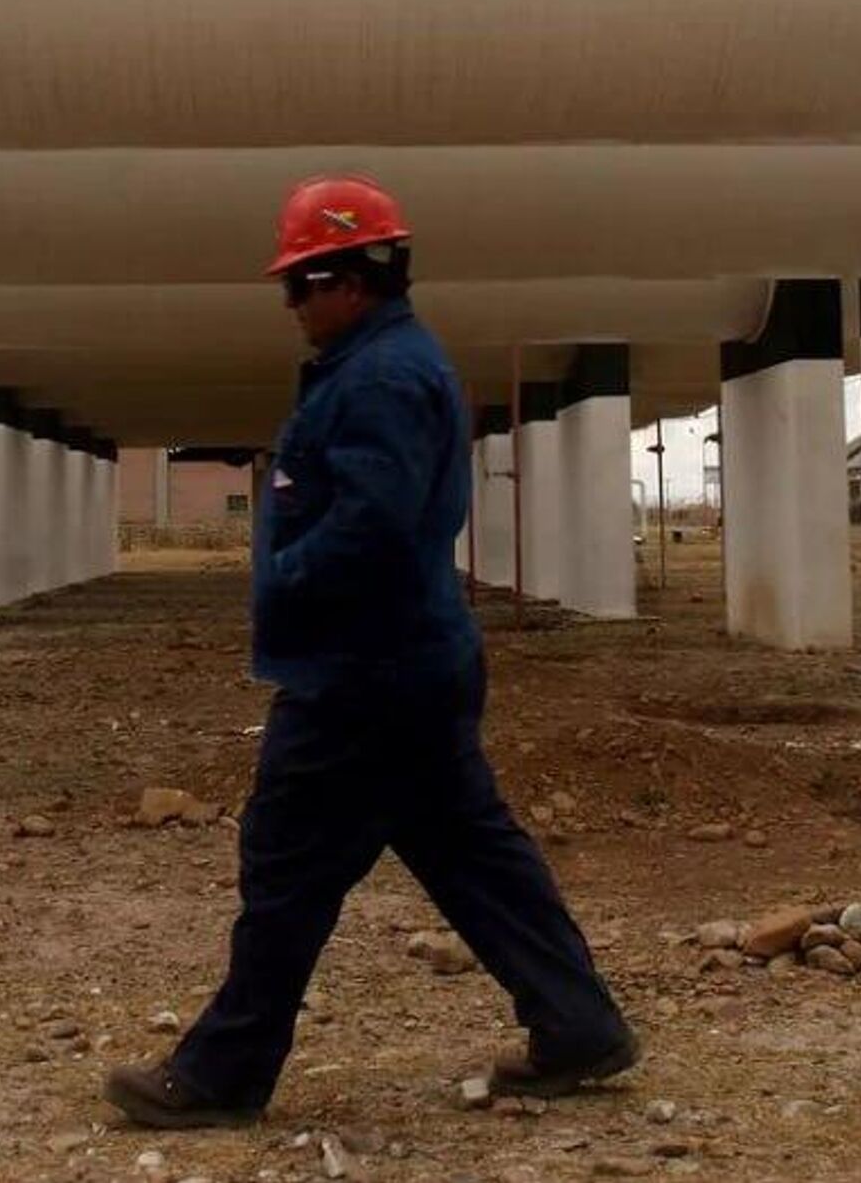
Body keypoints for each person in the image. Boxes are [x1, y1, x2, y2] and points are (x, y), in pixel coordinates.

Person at [103, 174, 636, 1130]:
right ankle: (580, 1025)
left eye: (297, 284)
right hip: (409, 664)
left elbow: (372, 528)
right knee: (472, 855)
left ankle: (223, 1074)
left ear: (344, 279)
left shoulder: (380, 378)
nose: (290, 304)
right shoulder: (379, 364)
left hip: (363, 675)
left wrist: (286, 578)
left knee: (287, 863)